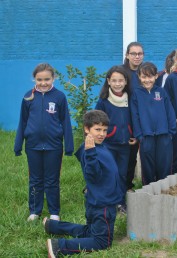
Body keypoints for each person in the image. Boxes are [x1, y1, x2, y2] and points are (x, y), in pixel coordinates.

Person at [44, 110, 122, 257]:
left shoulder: (99, 146)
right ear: (87, 129)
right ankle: (58, 246)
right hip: (103, 205)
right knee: (102, 242)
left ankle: (53, 225)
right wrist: (91, 152)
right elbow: (92, 175)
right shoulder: (91, 151)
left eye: (105, 130)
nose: (102, 134)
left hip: (96, 200)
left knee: (89, 231)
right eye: (97, 129)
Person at [14, 63, 74, 222]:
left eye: (47, 79)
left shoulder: (59, 97)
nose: (43, 83)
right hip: (33, 146)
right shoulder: (28, 97)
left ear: (53, 78)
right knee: (35, 179)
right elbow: (23, 122)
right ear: (34, 79)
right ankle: (35, 211)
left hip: (53, 147)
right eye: (39, 79)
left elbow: (66, 122)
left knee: (52, 179)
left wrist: (68, 146)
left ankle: (54, 212)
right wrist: (18, 144)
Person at [95, 65, 136, 214]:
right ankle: (106, 202)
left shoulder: (131, 99)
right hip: (108, 145)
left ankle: (120, 202)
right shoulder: (103, 101)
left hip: (125, 145)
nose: (117, 83)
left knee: (122, 174)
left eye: (121, 80)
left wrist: (134, 134)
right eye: (114, 80)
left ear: (126, 81)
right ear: (108, 81)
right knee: (108, 173)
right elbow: (96, 121)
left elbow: (135, 119)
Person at [131, 62, 176, 185]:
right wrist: (139, 135)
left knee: (165, 165)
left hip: (164, 136)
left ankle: (164, 192)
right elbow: (135, 116)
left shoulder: (161, 92)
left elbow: (170, 112)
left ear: (156, 76)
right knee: (148, 167)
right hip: (146, 137)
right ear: (139, 77)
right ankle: (149, 192)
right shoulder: (136, 94)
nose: (147, 80)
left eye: (150, 76)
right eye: (144, 77)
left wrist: (171, 132)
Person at [122, 42, 144, 192]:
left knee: (132, 158)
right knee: (122, 156)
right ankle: (119, 188)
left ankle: (128, 186)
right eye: (133, 53)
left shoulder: (144, 72)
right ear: (127, 55)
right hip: (124, 121)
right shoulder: (121, 73)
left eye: (140, 54)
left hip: (140, 121)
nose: (137, 56)